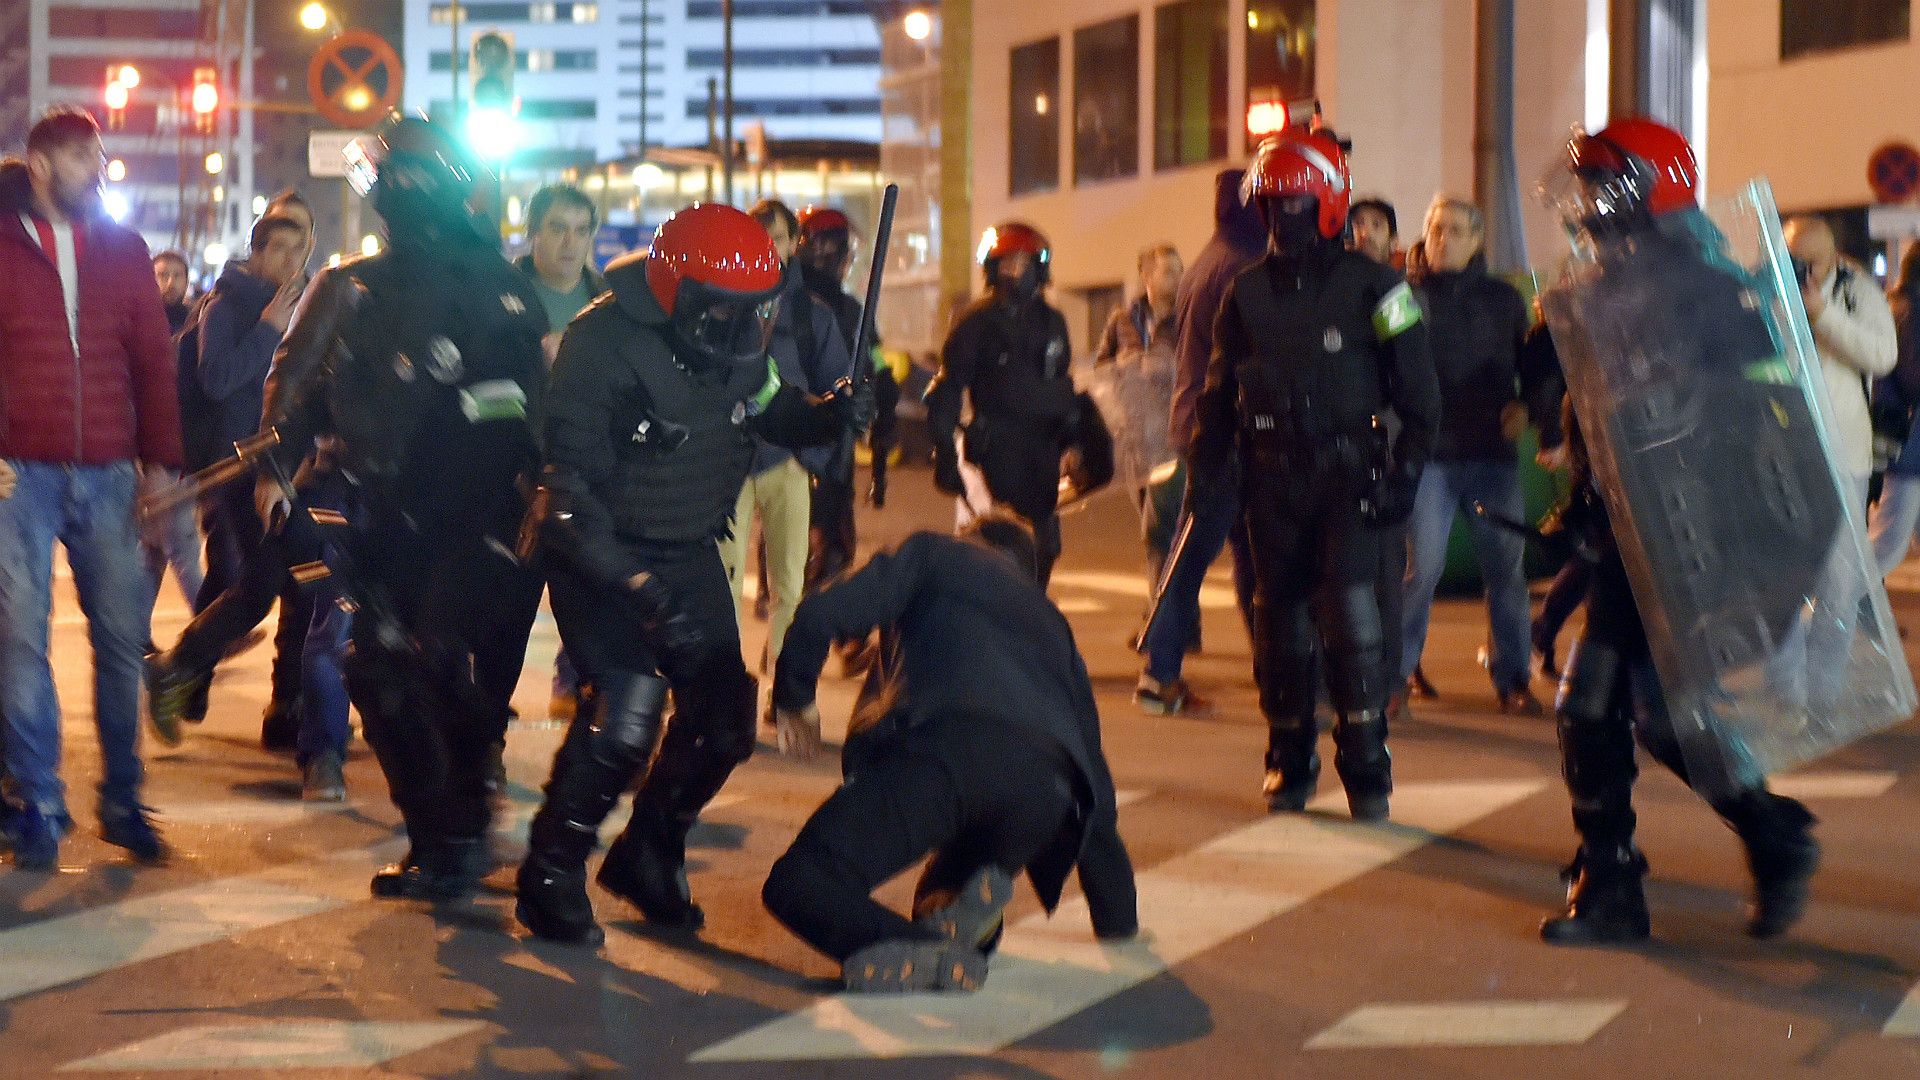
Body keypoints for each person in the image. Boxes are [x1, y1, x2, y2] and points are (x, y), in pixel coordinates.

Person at [513, 201, 874, 945]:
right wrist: (637, 590)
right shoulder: (600, 345)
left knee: (723, 717)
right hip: (600, 556)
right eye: (727, 316)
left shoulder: (739, 344)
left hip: (686, 546)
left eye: (755, 316)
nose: (744, 334)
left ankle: (651, 851)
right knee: (626, 709)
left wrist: (832, 414)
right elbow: (567, 498)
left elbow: (770, 408)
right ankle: (550, 869)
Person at [1534, 117, 1822, 944]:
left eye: (1605, 184)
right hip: (1629, 533)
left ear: (1652, 188)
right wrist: (1577, 509)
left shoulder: (1705, 285)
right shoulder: (1592, 289)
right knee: (1592, 707)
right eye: (1585, 185)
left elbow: (1768, 413)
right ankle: (1611, 885)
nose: (1588, 202)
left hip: (1697, 532)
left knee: (1657, 715)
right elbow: (1594, 415)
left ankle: (1772, 834)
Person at [251, 116, 549, 898]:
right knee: (381, 666)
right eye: (395, 177)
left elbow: (537, 402)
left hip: (481, 515)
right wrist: (273, 468)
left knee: (445, 662)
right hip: (384, 515)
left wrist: (547, 490)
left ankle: (466, 813)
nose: (406, 193)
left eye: (420, 178)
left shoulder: (499, 286)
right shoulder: (352, 287)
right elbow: (297, 385)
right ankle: (441, 837)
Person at [762, 510, 1138, 992]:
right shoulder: (1051, 622)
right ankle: (958, 914)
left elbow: (822, 612)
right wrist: (1116, 914)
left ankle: (918, 948)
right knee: (944, 885)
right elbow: (1095, 783)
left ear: (968, 538)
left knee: (803, 881)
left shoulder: (935, 554)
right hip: (1045, 792)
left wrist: (794, 699)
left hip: (947, 749)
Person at [1187, 129, 1439, 819]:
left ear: (1327, 204)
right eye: (1271, 205)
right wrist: (1205, 463)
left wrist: (1405, 474)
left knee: (1355, 621)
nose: (1282, 217)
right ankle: (1288, 759)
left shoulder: (1378, 286)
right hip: (1271, 480)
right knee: (1280, 626)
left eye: (1295, 204)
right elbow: (1218, 389)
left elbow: (1420, 395)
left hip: (1349, 477)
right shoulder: (1244, 292)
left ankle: (1366, 765)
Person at [0, 108, 183, 868]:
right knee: (18, 639)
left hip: (109, 471)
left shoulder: (124, 250)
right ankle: (39, 797)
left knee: (118, 641)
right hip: (18, 476)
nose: (97, 168)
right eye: (81, 156)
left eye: (99, 155)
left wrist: (162, 463)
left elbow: (152, 360)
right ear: (39, 167)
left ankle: (123, 799)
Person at [145, 211, 313, 750]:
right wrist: (267, 327)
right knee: (261, 584)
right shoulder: (226, 305)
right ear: (257, 252)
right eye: (280, 249)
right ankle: (177, 667)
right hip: (236, 468)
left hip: (280, 465)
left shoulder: (306, 306)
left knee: (260, 579)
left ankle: (186, 677)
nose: (290, 260)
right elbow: (216, 380)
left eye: (299, 248)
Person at [1395, 194, 1543, 717]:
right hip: (1430, 455)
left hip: (1490, 453)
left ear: (1477, 240)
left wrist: (1529, 406)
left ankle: (1513, 677)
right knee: (1423, 567)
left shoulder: (1504, 300)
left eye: (1458, 230)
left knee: (1506, 569)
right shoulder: (1402, 297)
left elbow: (1535, 364)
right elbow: (1382, 367)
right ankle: (1396, 676)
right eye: (1438, 229)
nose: (1445, 239)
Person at [1133, 170, 1264, 716]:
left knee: (1246, 552)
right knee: (1198, 554)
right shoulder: (1242, 264)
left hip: (1201, 424)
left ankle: (1272, 666)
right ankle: (1159, 672)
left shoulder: (1213, 257)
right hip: (1223, 428)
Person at [720, 199, 853, 678]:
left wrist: (813, 459)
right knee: (723, 581)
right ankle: (724, 686)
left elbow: (836, 388)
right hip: (730, 463)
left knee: (789, 584)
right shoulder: (722, 305)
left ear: (793, 243)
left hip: (787, 462)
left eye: (777, 237)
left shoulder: (811, 315)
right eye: (760, 237)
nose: (769, 248)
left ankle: (784, 681)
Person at [1767, 215, 1896, 708]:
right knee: (1778, 581)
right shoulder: (1766, 293)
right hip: (1778, 456)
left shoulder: (1857, 293)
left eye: (1811, 263)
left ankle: (1823, 692)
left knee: (1839, 583)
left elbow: (1883, 355)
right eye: (1792, 259)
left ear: (1834, 258)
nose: (1802, 272)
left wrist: (1823, 313)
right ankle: (1787, 691)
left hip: (1844, 451)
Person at [927, 223, 1079, 584]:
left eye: (1023, 263)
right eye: (1006, 263)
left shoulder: (1052, 322)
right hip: (992, 451)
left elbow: (1062, 385)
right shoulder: (976, 323)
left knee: (1045, 548)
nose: (1015, 272)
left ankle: (1027, 622)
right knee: (993, 548)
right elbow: (948, 390)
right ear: (992, 268)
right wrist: (946, 456)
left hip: (1040, 453)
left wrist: (1074, 442)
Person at [794, 204, 901, 674]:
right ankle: (803, 643)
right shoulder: (790, 304)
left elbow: (872, 363)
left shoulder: (852, 309)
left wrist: (881, 391)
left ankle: (841, 636)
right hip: (792, 442)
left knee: (834, 546)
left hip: (835, 446)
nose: (834, 256)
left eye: (840, 247)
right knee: (810, 551)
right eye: (826, 244)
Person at [516, 183, 608, 726]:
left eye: (580, 230)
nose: (569, 242)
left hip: (585, 467)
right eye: (557, 228)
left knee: (586, 585)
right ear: (534, 233)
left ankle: (573, 684)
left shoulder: (608, 302)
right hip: (515, 462)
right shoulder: (507, 293)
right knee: (510, 588)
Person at [1093, 243, 1185, 624]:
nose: (1177, 279)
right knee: (1162, 533)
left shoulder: (1186, 319)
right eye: (1168, 272)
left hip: (1172, 441)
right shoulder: (1122, 320)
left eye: (1179, 271)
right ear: (1146, 276)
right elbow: (1103, 371)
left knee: (1157, 530)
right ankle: (1178, 618)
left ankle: (1161, 622)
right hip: (1136, 446)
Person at [1868, 244, 1920, 573]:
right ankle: (1816, 617)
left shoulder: (1898, 304)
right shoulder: (1910, 310)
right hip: (1907, 443)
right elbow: (1914, 376)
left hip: (1900, 437)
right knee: (1886, 545)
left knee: (1889, 540)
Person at [1347, 196, 1398, 267]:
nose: (1365, 233)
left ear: (1394, 241)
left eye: (1377, 224)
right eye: (1358, 224)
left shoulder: (1397, 277)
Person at [153, 250, 192, 331]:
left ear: (186, 282)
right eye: (163, 275)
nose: (171, 283)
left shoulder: (197, 323)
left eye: (177, 275)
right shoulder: (139, 323)